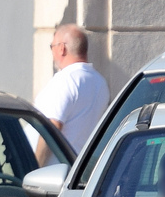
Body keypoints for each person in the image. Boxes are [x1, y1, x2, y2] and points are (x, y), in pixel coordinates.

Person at [32, 24, 110, 163]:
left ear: (62, 48)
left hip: (51, 174)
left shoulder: (65, 81)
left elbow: (51, 128)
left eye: (52, 46)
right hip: (78, 170)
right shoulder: (100, 83)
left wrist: (35, 167)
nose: (52, 52)